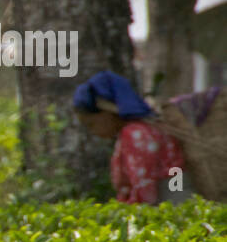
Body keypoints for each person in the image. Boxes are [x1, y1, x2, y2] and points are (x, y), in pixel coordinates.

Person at [73, 71, 187, 205]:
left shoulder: (134, 134)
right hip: (177, 198)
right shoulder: (151, 127)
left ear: (108, 112)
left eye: (91, 124)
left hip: (169, 202)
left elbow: (145, 190)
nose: (92, 131)